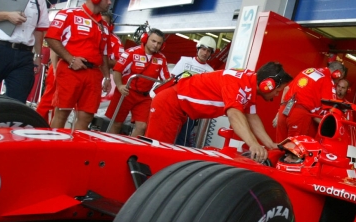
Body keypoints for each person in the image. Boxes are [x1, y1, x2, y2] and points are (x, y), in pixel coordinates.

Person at [146, 62, 292, 162]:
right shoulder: (238, 83)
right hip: (170, 104)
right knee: (156, 155)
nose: (276, 95)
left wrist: (270, 144)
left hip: (178, 108)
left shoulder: (248, 84)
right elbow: (234, 114)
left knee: (165, 154)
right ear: (267, 85)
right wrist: (253, 144)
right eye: (278, 91)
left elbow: (252, 116)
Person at [45, 0, 112, 130]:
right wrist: (70, 59)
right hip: (70, 71)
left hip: (94, 75)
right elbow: (51, 37)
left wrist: (107, 77)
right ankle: (54, 142)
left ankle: (74, 144)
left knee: (87, 116)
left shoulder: (104, 26)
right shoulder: (68, 14)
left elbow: (104, 54)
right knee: (62, 112)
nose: (109, 2)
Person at [105, 29, 170, 137]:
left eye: (159, 43)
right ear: (145, 39)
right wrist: (120, 86)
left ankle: (130, 147)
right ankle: (109, 145)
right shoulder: (131, 52)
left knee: (142, 126)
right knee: (117, 124)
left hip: (144, 97)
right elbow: (117, 70)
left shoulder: (161, 59)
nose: (155, 45)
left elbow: (166, 80)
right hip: (125, 92)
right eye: (153, 41)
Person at [275, 61, 346, 141]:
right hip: (300, 114)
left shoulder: (309, 70)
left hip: (284, 109)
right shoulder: (327, 79)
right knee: (295, 146)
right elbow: (330, 108)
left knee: (279, 145)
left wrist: (278, 112)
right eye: (340, 78)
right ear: (337, 74)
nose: (338, 82)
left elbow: (286, 88)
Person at [170, 36, 216, 147]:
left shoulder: (210, 71)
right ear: (198, 48)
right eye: (203, 49)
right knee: (169, 132)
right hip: (175, 103)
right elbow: (172, 80)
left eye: (208, 51)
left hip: (191, 109)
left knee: (183, 137)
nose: (205, 53)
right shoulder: (184, 61)